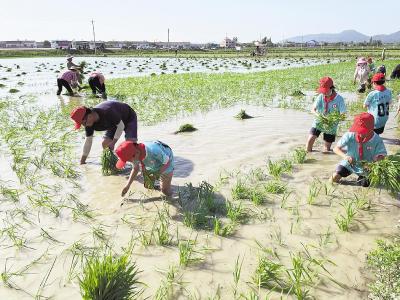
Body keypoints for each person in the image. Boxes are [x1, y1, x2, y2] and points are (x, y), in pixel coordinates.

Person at [70, 101, 138, 164]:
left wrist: (113, 143)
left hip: (128, 117)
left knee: (130, 144)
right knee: (105, 144)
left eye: (83, 123)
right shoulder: (89, 124)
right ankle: (114, 164)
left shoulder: (107, 111)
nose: (84, 126)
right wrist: (82, 161)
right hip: (113, 124)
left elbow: (121, 126)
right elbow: (88, 141)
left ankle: (137, 165)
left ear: (89, 116)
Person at [331, 112, 386, 187]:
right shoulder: (350, 135)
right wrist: (345, 157)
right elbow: (336, 149)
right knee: (334, 178)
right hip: (349, 163)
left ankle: (362, 178)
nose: (359, 133)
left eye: (363, 131)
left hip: (366, 167)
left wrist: (373, 164)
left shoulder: (377, 140)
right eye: (358, 130)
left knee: (363, 185)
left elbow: (382, 156)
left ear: (371, 129)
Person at [306, 77, 346, 152]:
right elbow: (313, 109)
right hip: (319, 122)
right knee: (310, 140)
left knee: (326, 150)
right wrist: (319, 116)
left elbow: (343, 115)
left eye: (326, 91)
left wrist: (333, 119)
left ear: (331, 88)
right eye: (323, 91)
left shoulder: (339, 99)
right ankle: (307, 155)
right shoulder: (321, 96)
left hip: (331, 125)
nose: (324, 93)